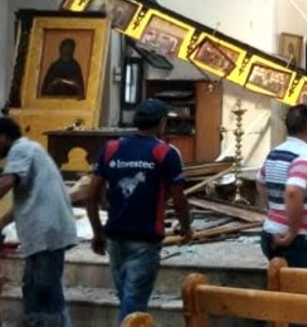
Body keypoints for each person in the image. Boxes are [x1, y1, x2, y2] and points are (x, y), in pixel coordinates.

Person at [86, 99, 193, 324]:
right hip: (145, 239)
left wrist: (98, 232)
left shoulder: (111, 148)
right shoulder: (165, 153)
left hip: (115, 236)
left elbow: (91, 195)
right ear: (162, 122)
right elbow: (179, 200)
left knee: (127, 299)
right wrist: (186, 227)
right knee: (133, 306)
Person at [0, 116, 78, 326]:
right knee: (33, 289)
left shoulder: (21, 149)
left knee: (46, 292)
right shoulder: (31, 150)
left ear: (3, 137)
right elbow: (24, 203)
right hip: (43, 233)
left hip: (46, 232)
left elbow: (6, 183)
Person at [257, 104, 307, 269]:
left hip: (271, 231)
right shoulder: (304, 156)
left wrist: (274, 211)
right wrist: (292, 231)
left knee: (279, 280)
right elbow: (293, 191)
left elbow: (260, 181)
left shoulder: (276, 153)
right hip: (295, 240)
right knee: (301, 285)